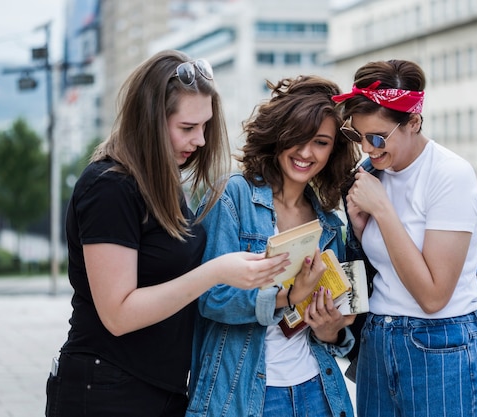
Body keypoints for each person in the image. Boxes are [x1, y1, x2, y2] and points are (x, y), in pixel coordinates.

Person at [44, 50, 291, 417]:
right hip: (106, 389)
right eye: (187, 128)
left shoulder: (163, 183)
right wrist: (217, 272)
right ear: (149, 121)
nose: (202, 140)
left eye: (205, 126)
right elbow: (118, 314)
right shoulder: (109, 187)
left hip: (160, 389)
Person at [185, 75, 361, 417]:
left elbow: (335, 331)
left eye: (321, 142)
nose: (306, 152)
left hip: (318, 390)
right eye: (297, 137)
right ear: (278, 133)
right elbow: (210, 297)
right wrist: (288, 296)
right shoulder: (232, 196)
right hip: (245, 394)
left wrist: (332, 330)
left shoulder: (327, 222)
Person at [333, 59, 477, 416]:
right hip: (377, 339)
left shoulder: (450, 175)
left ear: (414, 122)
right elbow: (378, 269)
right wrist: (360, 229)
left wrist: (383, 212)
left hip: (441, 345)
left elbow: (434, 296)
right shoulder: (370, 172)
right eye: (357, 135)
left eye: (377, 137)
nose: (366, 148)